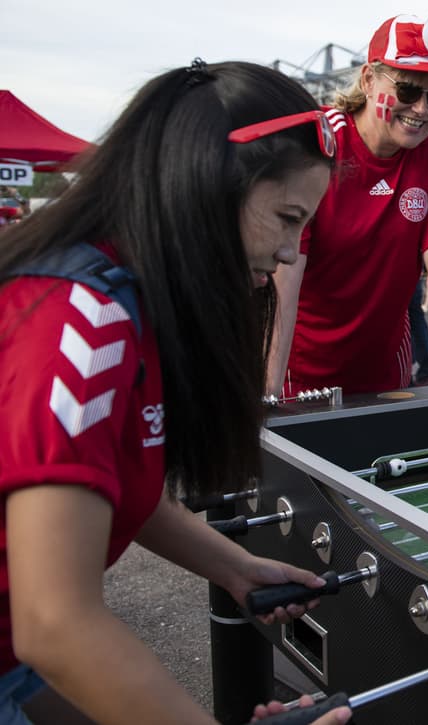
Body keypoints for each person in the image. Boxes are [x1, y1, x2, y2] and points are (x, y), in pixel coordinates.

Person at [0, 61, 349, 725]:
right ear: (207, 184)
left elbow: (111, 480)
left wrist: (235, 566)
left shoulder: (129, 298)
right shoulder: (87, 318)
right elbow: (54, 623)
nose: (288, 253)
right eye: (286, 217)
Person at [269, 9, 428, 394]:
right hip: (300, 374)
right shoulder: (321, 144)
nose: (422, 109)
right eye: (407, 90)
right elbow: (282, 279)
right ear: (369, 79)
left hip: (385, 371)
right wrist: (267, 396)